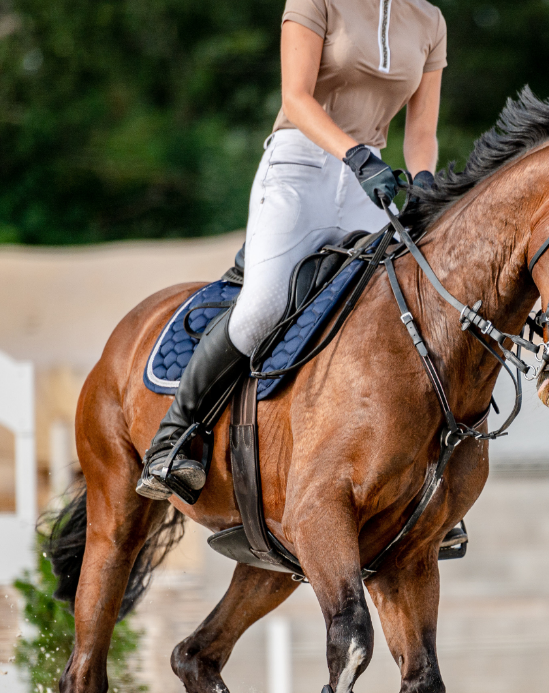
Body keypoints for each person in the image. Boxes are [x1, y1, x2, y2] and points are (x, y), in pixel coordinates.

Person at [138, 0, 447, 500]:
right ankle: (175, 435)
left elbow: (422, 132)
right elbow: (297, 98)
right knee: (264, 307)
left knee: (405, 309)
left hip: (370, 185)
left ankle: (427, 476)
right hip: (301, 167)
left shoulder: (429, 20)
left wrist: (426, 181)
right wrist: (355, 154)